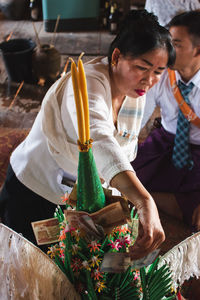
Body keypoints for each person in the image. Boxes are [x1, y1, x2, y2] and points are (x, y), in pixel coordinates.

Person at [0, 10, 175, 258]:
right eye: (142, 67)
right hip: (35, 193)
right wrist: (144, 200)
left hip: (82, 198)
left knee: (82, 271)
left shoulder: (133, 92)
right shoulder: (84, 84)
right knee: (34, 272)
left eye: (158, 71)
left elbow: (123, 149)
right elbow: (98, 138)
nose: (149, 80)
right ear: (116, 56)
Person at [132, 10, 200, 233]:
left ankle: (158, 200)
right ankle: (162, 200)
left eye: (177, 44)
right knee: (123, 181)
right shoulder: (162, 74)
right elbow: (138, 119)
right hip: (164, 144)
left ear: (198, 49)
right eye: (167, 42)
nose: (167, 50)